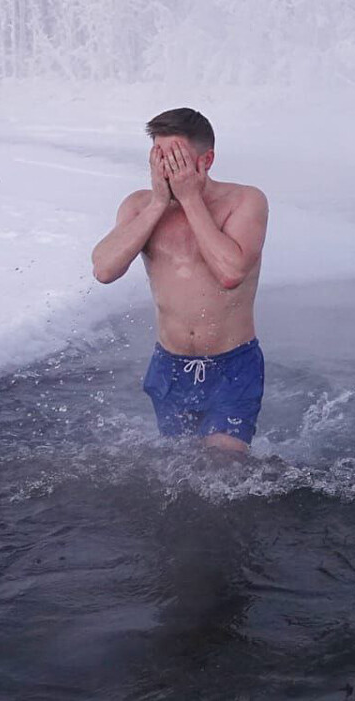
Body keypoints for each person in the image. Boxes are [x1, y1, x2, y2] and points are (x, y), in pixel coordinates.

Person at [91, 107, 269, 457]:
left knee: (222, 466)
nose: (167, 169)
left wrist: (189, 199)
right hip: (169, 367)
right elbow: (104, 270)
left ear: (207, 160)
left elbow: (231, 272)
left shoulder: (245, 200)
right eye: (160, 157)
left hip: (232, 366)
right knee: (180, 467)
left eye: (177, 160)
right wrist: (159, 202)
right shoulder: (139, 205)